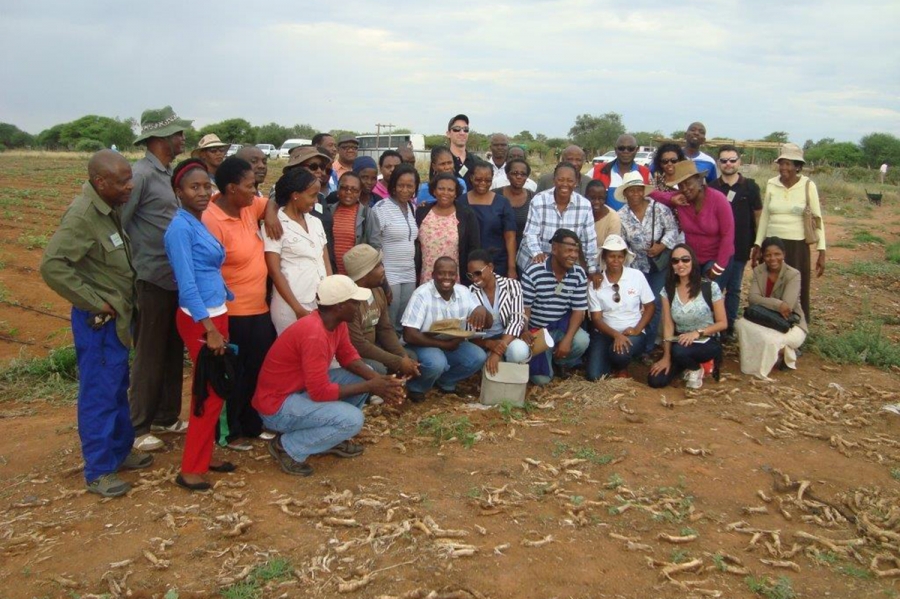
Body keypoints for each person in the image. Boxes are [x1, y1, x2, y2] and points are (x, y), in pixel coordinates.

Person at [41, 150, 152, 497]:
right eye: (122, 181)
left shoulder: (110, 207)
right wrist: (94, 301)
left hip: (117, 318)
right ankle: (100, 470)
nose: (130, 186)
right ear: (100, 182)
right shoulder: (83, 216)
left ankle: (120, 450)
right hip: (99, 322)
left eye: (130, 178)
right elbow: (52, 265)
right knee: (99, 393)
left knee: (117, 385)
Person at [253, 276, 405, 477]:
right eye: (354, 302)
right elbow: (320, 392)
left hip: (297, 393)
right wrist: (372, 386)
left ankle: (328, 438)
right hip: (277, 408)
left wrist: (379, 381)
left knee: (364, 374)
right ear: (339, 306)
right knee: (353, 420)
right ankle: (288, 446)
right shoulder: (314, 334)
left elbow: (349, 357)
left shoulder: (335, 322)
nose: (358, 306)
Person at [122, 106, 194, 452]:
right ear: (161, 138)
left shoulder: (167, 174)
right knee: (149, 354)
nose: (183, 138)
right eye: (178, 133)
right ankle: (138, 427)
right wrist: (131, 267)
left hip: (173, 277)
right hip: (150, 277)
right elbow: (120, 223)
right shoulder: (141, 175)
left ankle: (166, 415)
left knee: (171, 349)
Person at [163, 159, 236, 491]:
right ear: (178, 191)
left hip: (215, 313)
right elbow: (187, 283)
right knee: (207, 392)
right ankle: (191, 468)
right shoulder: (179, 229)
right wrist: (210, 328)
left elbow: (210, 267)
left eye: (207, 186)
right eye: (194, 187)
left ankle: (205, 455)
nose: (203, 192)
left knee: (216, 390)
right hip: (200, 320)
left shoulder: (197, 221)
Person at [203, 157, 277, 450]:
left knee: (257, 369)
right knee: (232, 373)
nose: (254, 191)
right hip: (230, 312)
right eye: (249, 186)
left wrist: (270, 215)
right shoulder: (212, 220)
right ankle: (229, 432)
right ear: (231, 188)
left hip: (259, 309)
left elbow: (272, 201)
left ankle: (251, 423)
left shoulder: (248, 206)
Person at [752, 143, 826, 322]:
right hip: (772, 244)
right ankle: (768, 321)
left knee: (797, 287)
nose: (784, 168)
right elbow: (765, 216)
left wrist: (822, 251)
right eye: (781, 163)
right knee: (769, 286)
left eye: (788, 164)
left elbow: (817, 219)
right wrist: (758, 244)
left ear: (798, 167)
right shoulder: (771, 183)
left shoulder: (808, 185)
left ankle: (798, 324)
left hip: (797, 245)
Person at [401, 257, 489, 402]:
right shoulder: (421, 294)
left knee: (478, 357)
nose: (447, 278)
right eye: (441, 273)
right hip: (422, 344)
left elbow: (488, 323)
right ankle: (417, 387)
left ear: (456, 276)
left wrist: (481, 309)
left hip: (451, 342)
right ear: (433, 275)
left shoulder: (464, 292)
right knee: (436, 362)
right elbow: (409, 335)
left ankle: (445, 380)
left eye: (451, 274)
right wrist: (445, 345)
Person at [648, 244, 727, 390]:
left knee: (679, 351)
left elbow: (723, 323)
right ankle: (687, 366)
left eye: (685, 259)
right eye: (675, 261)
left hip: (706, 340)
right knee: (656, 380)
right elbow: (668, 325)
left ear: (693, 261)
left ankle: (696, 368)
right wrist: (666, 357)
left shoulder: (710, 287)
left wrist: (697, 333)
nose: (680, 264)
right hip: (680, 342)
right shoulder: (668, 290)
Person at [264, 167, 331, 334]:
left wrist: (330, 293)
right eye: (312, 195)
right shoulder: (276, 225)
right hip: (291, 304)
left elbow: (325, 260)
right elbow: (274, 271)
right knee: (294, 347)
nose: (316, 201)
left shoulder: (316, 222)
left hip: (320, 300)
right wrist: (297, 308)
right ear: (295, 195)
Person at [618, 172, 679, 354]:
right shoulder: (621, 215)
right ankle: (636, 341)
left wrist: (662, 246)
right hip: (636, 266)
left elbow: (673, 230)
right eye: (631, 190)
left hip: (658, 265)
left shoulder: (659, 209)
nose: (635, 194)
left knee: (655, 303)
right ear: (625, 193)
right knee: (636, 304)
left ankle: (648, 346)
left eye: (639, 190)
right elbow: (622, 243)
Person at [521, 229, 591, 385]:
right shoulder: (534, 271)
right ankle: (548, 360)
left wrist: (567, 340)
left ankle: (560, 362)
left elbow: (578, 311)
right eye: (569, 250)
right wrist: (525, 330)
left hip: (560, 327)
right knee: (541, 380)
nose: (573, 255)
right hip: (538, 331)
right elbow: (525, 309)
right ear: (554, 249)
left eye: (576, 251)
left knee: (582, 341)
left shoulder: (578, 274)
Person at [343, 244, 421, 377]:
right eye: (378, 266)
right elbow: (359, 345)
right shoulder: (348, 302)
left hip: (373, 346)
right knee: (379, 368)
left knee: (410, 356)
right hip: (354, 354)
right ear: (364, 274)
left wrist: (403, 357)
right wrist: (398, 362)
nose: (383, 269)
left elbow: (385, 329)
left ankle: (397, 386)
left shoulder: (378, 291)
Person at [649, 161, 735, 284]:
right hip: (693, 259)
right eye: (680, 185)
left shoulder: (718, 199)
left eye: (688, 183)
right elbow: (654, 194)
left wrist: (718, 268)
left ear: (699, 181)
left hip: (717, 258)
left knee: (710, 293)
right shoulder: (681, 199)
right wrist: (672, 198)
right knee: (691, 293)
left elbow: (728, 235)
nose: (685, 189)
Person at [735, 237, 808, 379]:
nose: (773, 258)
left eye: (777, 254)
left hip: (790, 324)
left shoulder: (793, 274)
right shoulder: (759, 271)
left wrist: (769, 303)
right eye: (768, 255)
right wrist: (778, 304)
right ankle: (775, 353)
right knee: (740, 324)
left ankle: (785, 354)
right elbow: (752, 298)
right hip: (765, 320)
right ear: (762, 255)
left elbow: (788, 305)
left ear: (784, 254)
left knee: (769, 340)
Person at [585, 235, 655, 380]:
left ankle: (621, 367)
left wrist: (637, 329)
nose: (616, 260)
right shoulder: (596, 283)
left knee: (620, 353)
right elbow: (596, 319)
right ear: (604, 257)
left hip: (632, 332)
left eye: (620, 256)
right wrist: (616, 335)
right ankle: (610, 360)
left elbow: (650, 307)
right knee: (594, 376)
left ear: (624, 258)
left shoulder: (636, 276)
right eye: (611, 256)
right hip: (604, 333)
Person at [710, 145, 762, 339]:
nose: (728, 164)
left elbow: (758, 216)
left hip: (740, 247)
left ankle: (728, 327)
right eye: (724, 160)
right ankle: (714, 326)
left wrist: (758, 244)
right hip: (716, 250)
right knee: (715, 288)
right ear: (719, 163)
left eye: (732, 160)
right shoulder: (712, 187)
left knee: (734, 289)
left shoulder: (750, 187)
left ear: (739, 162)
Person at [518, 162, 599, 283]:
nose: (565, 184)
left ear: (576, 182)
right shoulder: (539, 200)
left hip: (564, 265)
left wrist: (592, 268)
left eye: (570, 180)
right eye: (561, 180)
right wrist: (538, 254)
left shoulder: (584, 205)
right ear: (554, 180)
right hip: (534, 261)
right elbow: (531, 233)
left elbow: (589, 240)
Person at [367, 164, 420, 332]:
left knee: (404, 316)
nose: (405, 190)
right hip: (389, 271)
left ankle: (402, 344)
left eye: (410, 186)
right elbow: (374, 244)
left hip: (409, 271)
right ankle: (389, 347)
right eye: (400, 185)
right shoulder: (381, 208)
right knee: (389, 316)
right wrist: (381, 276)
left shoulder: (412, 208)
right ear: (393, 186)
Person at [466, 249, 530, 375]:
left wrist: (497, 352)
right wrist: (489, 344)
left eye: (478, 273)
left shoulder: (512, 285)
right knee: (483, 361)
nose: (475, 279)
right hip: (484, 343)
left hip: (507, 337)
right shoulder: (469, 293)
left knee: (519, 351)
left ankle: (508, 373)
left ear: (490, 267)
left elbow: (517, 320)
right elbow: (470, 333)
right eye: (470, 275)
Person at [415, 172, 480, 284]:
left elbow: (474, 247)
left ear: (456, 193)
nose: (445, 193)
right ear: (434, 191)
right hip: (426, 276)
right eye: (441, 188)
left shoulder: (467, 214)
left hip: (455, 277)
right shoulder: (422, 211)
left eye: (450, 190)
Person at [457, 162, 517, 277]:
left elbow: (510, 237)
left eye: (488, 180)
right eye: (478, 179)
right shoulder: (461, 202)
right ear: (471, 177)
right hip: (467, 261)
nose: (483, 183)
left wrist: (511, 267)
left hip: (496, 261)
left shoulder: (502, 203)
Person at [323, 172, 371, 276]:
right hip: (331, 274)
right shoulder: (327, 211)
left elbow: (375, 246)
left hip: (356, 275)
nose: (348, 192)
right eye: (344, 188)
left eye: (354, 190)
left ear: (360, 192)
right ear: (337, 189)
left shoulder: (368, 214)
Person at [590, 134, 651, 210]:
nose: (626, 151)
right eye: (621, 148)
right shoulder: (599, 170)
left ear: (636, 149)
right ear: (615, 150)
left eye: (630, 148)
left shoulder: (645, 173)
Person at [278, 146, 334, 217]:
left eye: (322, 166)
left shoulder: (320, 196)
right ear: (295, 168)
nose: (320, 171)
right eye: (313, 167)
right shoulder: (281, 193)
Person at [495, 157, 535, 247]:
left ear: (527, 177)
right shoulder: (494, 195)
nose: (519, 177)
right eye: (514, 173)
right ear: (507, 175)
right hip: (497, 249)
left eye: (523, 174)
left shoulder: (533, 198)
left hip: (524, 249)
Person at [586, 180, 621, 250]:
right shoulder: (580, 213)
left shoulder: (613, 218)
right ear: (585, 197)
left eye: (601, 198)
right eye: (592, 198)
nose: (597, 202)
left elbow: (612, 248)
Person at [447, 114, 477, 188]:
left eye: (465, 129)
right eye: (457, 129)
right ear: (448, 134)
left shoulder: (476, 161)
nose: (462, 133)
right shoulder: (441, 162)